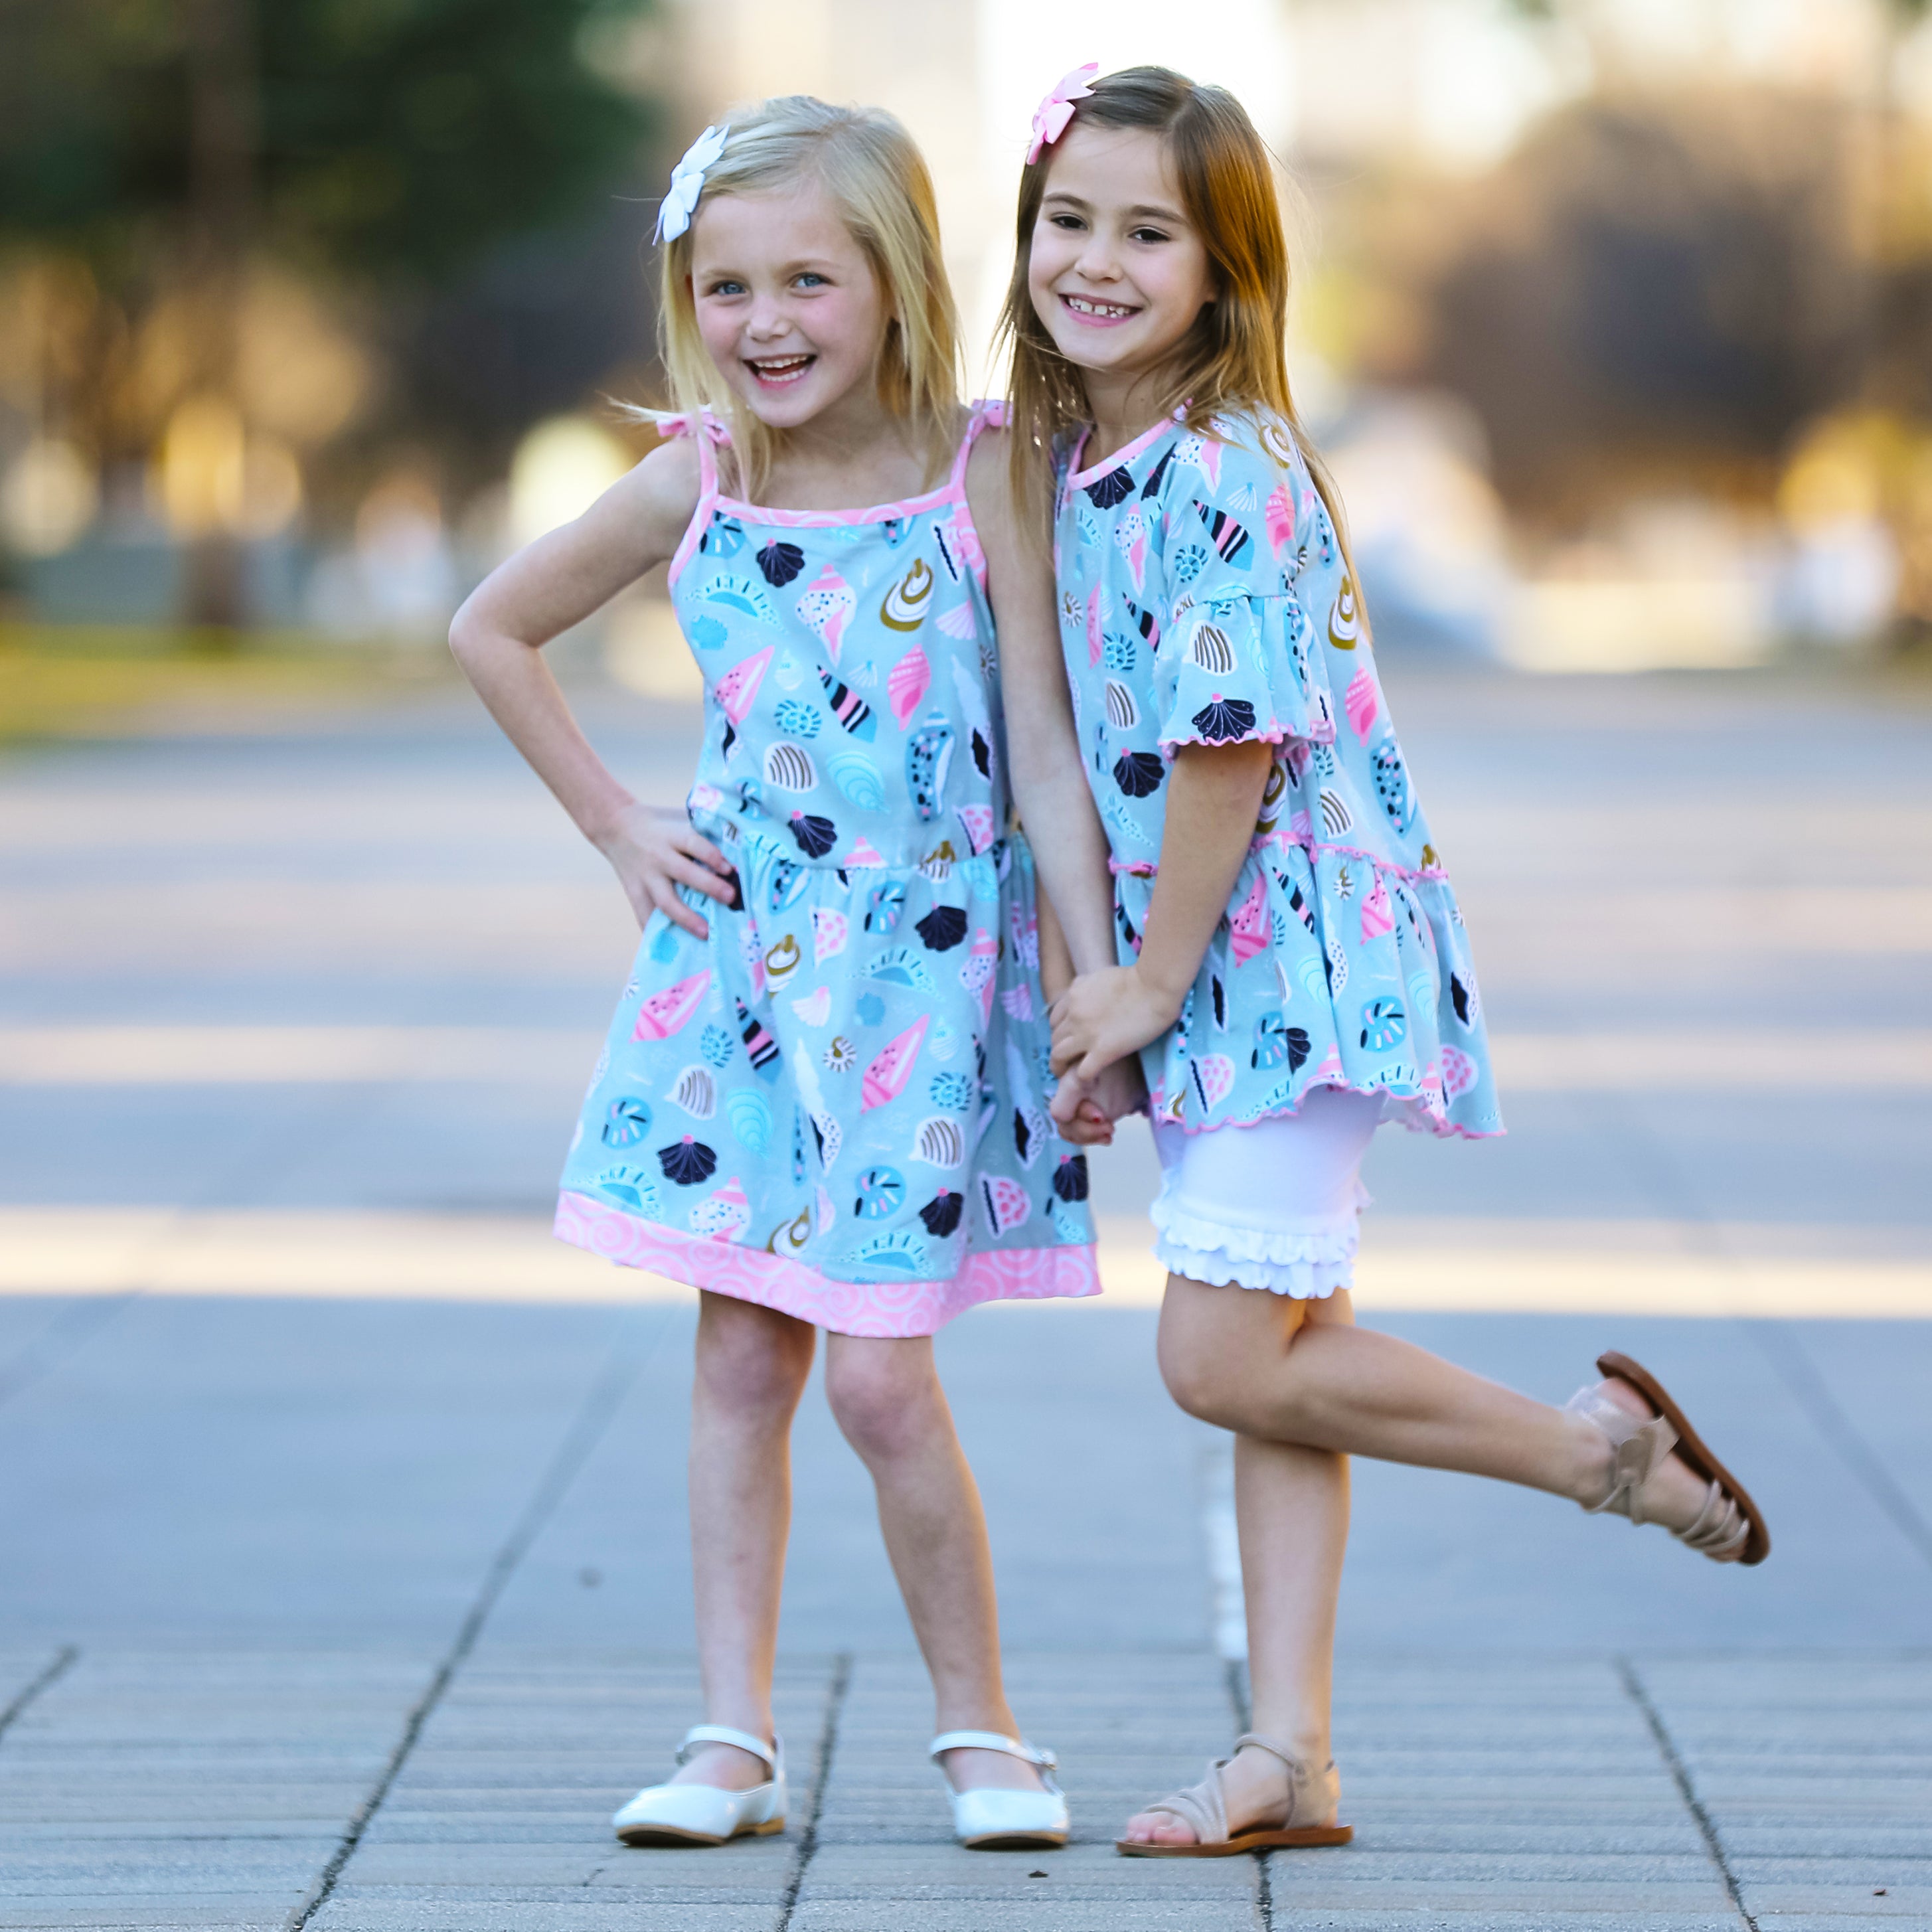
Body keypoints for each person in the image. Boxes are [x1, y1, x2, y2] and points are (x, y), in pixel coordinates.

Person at [999, 63, 1773, 1858]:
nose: (1095, 262)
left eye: (1146, 233)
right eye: (1068, 221)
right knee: (1285, 1344)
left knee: (1215, 1357)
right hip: (1219, 965)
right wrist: (1106, 990)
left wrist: (1152, 983)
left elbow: (1223, 744)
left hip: (1286, 955)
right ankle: (1294, 1755)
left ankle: (1600, 1456)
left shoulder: (1224, 462)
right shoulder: (1078, 464)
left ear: (1228, 269)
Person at [450, 95, 1125, 1854]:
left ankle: (985, 1734)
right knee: (741, 1365)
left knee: (886, 1376)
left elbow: (1047, 753)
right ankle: (727, 1742)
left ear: (895, 279)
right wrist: (614, 823)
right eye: (728, 283)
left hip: (927, 998)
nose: (765, 322)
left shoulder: (986, 474)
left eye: (808, 280)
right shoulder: (703, 474)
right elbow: (492, 627)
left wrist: (1096, 985)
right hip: (745, 994)